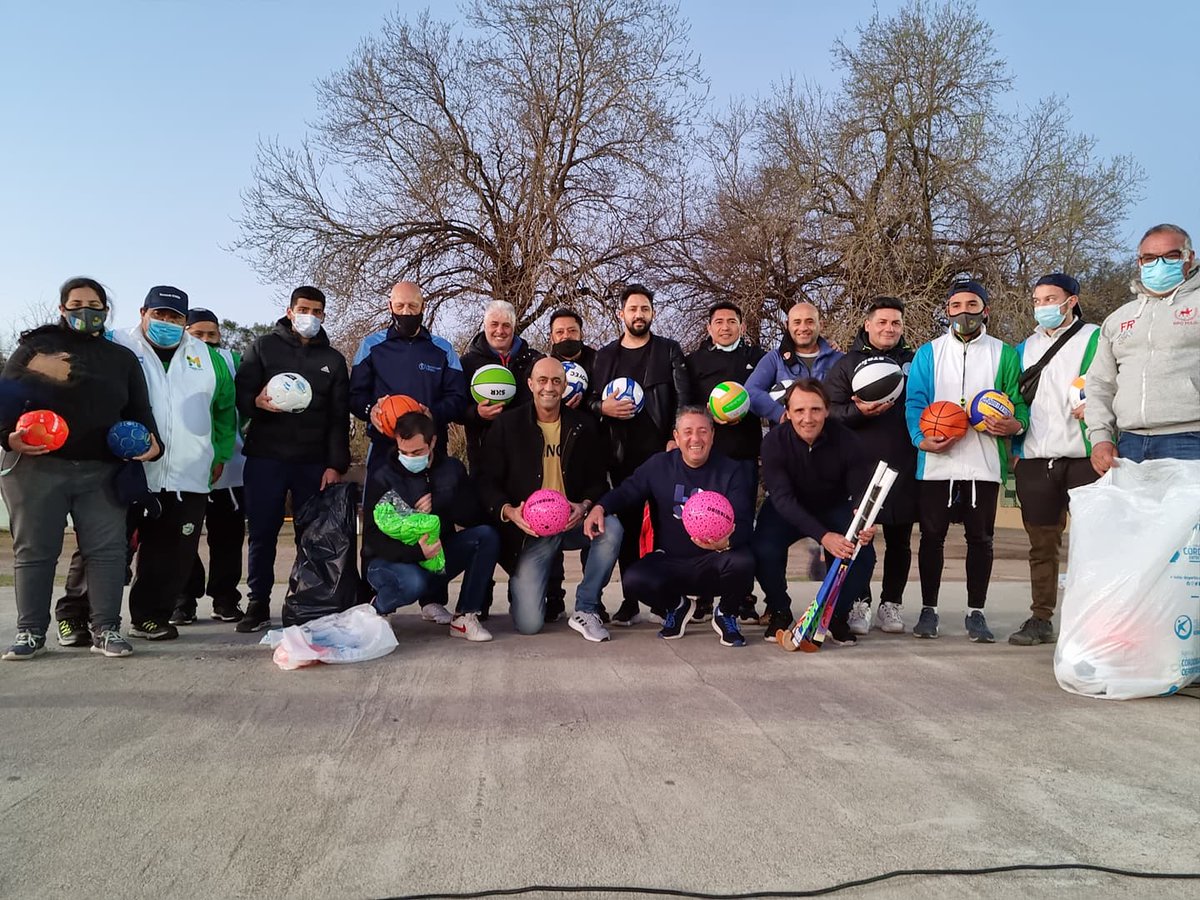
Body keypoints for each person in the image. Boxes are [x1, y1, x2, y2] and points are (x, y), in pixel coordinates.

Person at [0, 277, 160, 659]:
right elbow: (4, 403)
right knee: (36, 551)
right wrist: (8, 437)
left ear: (106, 311)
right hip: (37, 467)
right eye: (75, 304)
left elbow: (139, 411)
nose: (84, 311)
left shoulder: (121, 359)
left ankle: (106, 630)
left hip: (101, 469)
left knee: (107, 551)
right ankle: (30, 633)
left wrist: (154, 445)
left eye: (93, 304)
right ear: (62, 309)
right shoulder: (36, 349)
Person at [903, 279, 1029, 642]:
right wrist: (920, 439)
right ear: (946, 311)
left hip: (984, 461)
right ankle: (929, 610)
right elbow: (915, 403)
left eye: (972, 305)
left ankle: (977, 612)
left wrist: (1014, 425)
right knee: (931, 538)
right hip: (937, 462)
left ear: (985, 310)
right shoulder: (928, 353)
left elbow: (1018, 405)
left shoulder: (1004, 354)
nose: (964, 312)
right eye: (956, 305)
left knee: (981, 540)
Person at [112, 285, 237, 641]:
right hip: (128, 470)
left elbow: (225, 412)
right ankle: (80, 616)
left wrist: (219, 453)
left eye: (175, 317)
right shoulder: (118, 344)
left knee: (171, 556)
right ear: (143, 313)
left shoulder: (207, 357)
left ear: (184, 321)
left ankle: (150, 616)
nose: (167, 322)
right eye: (159, 314)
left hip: (187, 474)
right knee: (105, 548)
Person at [478, 358, 622, 641]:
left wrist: (584, 506)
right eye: (542, 380)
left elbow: (597, 479)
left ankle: (586, 608)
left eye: (556, 381)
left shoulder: (583, 425)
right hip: (531, 531)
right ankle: (528, 593)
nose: (549, 387)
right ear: (530, 384)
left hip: (571, 522)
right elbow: (486, 480)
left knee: (612, 528)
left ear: (565, 386)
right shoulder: (508, 425)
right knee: (529, 624)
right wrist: (509, 512)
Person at [584, 407, 754, 647]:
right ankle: (677, 606)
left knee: (744, 560)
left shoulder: (731, 470)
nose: (695, 439)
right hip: (672, 561)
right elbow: (627, 492)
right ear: (676, 436)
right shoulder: (659, 466)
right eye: (688, 432)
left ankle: (726, 613)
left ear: (713, 435)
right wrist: (600, 507)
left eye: (702, 431)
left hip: (715, 560)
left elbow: (746, 522)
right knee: (634, 579)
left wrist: (726, 543)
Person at [233, 286, 350, 633]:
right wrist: (255, 401)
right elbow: (240, 396)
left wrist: (335, 464)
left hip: (312, 462)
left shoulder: (333, 360)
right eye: (303, 309)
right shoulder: (262, 347)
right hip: (266, 457)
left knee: (311, 536)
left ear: (324, 316)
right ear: (289, 310)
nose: (309, 316)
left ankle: (307, 600)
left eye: (316, 311)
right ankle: (257, 602)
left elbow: (338, 418)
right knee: (262, 532)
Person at [589, 283, 691, 625]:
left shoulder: (669, 350)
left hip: (661, 454)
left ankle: (666, 600)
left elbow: (683, 399)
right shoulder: (604, 356)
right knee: (629, 531)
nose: (639, 315)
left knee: (666, 529)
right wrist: (601, 407)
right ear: (621, 314)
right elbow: (589, 401)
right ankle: (631, 599)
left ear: (652, 313)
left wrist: (675, 437)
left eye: (644, 309)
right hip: (620, 457)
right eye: (632, 309)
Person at [1009, 274, 1100, 645]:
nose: (1044, 306)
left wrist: (1098, 408)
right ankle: (1040, 618)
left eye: (1051, 298)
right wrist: (1016, 452)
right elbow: (1014, 400)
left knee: (1095, 542)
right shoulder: (1021, 349)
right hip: (1036, 459)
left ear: (1071, 301)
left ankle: (1096, 619)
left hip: (1084, 457)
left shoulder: (1096, 337)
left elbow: (1114, 383)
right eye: (1038, 300)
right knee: (1042, 546)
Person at [752, 380, 880, 644]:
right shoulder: (774, 443)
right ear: (787, 413)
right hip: (787, 509)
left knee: (862, 554)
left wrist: (864, 520)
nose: (807, 418)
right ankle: (779, 609)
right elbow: (783, 499)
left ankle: (835, 614)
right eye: (799, 411)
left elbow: (859, 490)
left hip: (832, 506)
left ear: (827, 410)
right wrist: (823, 536)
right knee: (763, 549)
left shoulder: (847, 439)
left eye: (815, 409)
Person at [361, 411, 498, 641]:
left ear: (433, 441)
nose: (409, 457)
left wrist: (443, 503)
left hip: (435, 557)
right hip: (388, 562)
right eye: (403, 452)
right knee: (415, 582)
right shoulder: (382, 477)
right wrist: (415, 551)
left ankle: (465, 615)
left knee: (486, 536)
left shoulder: (452, 470)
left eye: (417, 452)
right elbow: (372, 537)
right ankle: (378, 609)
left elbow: (474, 516)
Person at [825, 297, 916, 636]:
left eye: (895, 323)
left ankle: (891, 604)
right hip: (861, 468)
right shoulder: (846, 364)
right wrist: (856, 413)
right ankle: (858, 601)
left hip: (904, 464)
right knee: (860, 540)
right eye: (882, 322)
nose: (889, 328)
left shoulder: (914, 361)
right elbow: (828, 410)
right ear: (867, 324)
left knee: (900, 540)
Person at [1087, 223, 1200, 473]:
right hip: (1129, 444)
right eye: (1149, 258)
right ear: (1140, 262)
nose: (1158, 264)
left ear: (1188, 257)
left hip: (1191, 440)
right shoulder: (1118, 318)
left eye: (1170, 256)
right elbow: (1100, 384)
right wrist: (1101, 438)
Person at [684, 301, 765, 623]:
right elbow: (687, 405)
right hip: (707, 457)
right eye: (719, 322)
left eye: (732, 321)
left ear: (742, 327)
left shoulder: (758, 359)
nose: (725, 327)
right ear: (709, 328)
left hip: (744, 455)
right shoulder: (695, 362)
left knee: (741, 525)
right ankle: (703, 594)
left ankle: (742, 596)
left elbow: (766, 399)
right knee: (703, 522)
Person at [173, 308, 247, 624]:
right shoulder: (172, 364)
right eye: (197, 333)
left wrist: (224, 446)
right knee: (180, 536)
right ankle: (183, 598)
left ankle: (225, 598)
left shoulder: (232, 361)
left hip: (228, 466)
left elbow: (243, 407)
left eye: (211, 334)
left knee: (227, 538)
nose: (205, 340)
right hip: (183, 467)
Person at [350, 280, 468, 475]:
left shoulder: (443, 350)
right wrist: (371, 410)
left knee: (431, 505)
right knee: (381, 506)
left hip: (430, 447)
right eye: (400, 306)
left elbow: (458, 399)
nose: (406, 312)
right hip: (384, 447)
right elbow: (355, 396)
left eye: (413, 306)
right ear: (390, 307)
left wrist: (433, 414)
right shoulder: (370, 346)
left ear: (423, 306)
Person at [543, 306, 602, 623]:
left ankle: (593, 601)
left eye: (572, 331)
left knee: (594, 523)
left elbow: (608, 395)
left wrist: (590, 402)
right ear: (552, 337)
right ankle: (553, 596)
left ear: (581, 333)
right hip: (554, 456)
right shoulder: (545, 366)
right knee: (549, 520)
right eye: (560, 332)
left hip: (590, 453)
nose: (566, 337)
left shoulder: (598, 360)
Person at [460, 299, 544, 475]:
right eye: (494, 324)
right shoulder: (467, 363)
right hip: (484, 454)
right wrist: (476, 413)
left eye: (506, 325)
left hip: (527, 452)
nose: (500, 331)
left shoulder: (535, 360)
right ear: (485, 325)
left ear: (513, 327)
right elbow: (456, 408)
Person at [745, 301, 843, 426]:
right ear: (787, 325)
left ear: (821, 325)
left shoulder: (839, 359)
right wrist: (780, 414)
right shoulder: (775, 359)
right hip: (786, 440)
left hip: (831, 438)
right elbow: (750, 391)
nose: (803, 328)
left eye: (810, 321)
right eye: (797, 322)